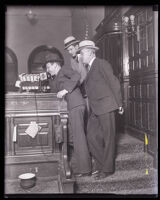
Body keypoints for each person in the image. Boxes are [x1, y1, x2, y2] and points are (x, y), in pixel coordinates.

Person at [77, 40, 124, 180]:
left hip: (107, 105)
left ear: (92, 51)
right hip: (96, 108)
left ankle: (108, 169)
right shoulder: (89, 68)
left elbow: (113, 82)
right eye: (80, 53)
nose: (81, 56)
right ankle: (102, 164)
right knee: (91, 136)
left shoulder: (102, 63)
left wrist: (119, 104)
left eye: (83, 53)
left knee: (109, 138)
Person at [43, 53, 91, 177]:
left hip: (76, 104)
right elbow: (55, 90)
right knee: (74, 136)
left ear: (55, 65)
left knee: (78, 137)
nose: (48, 70)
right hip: (72, 106)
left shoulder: (64, 69)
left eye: (48, 67)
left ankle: (85, 169)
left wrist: (66, 90)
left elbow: (77, 75)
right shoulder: (58, 75)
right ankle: (82, 166)